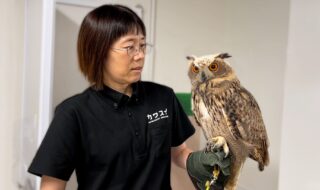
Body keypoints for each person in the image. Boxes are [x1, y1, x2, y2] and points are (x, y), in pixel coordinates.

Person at [28, 4, 230, 190]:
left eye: (142, 45)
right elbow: (52, 185)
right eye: (129, 47)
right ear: (99, 52)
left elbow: (178, 152)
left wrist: (203, 162)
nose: (140, 54)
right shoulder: (73, 113)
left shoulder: (163, 97)